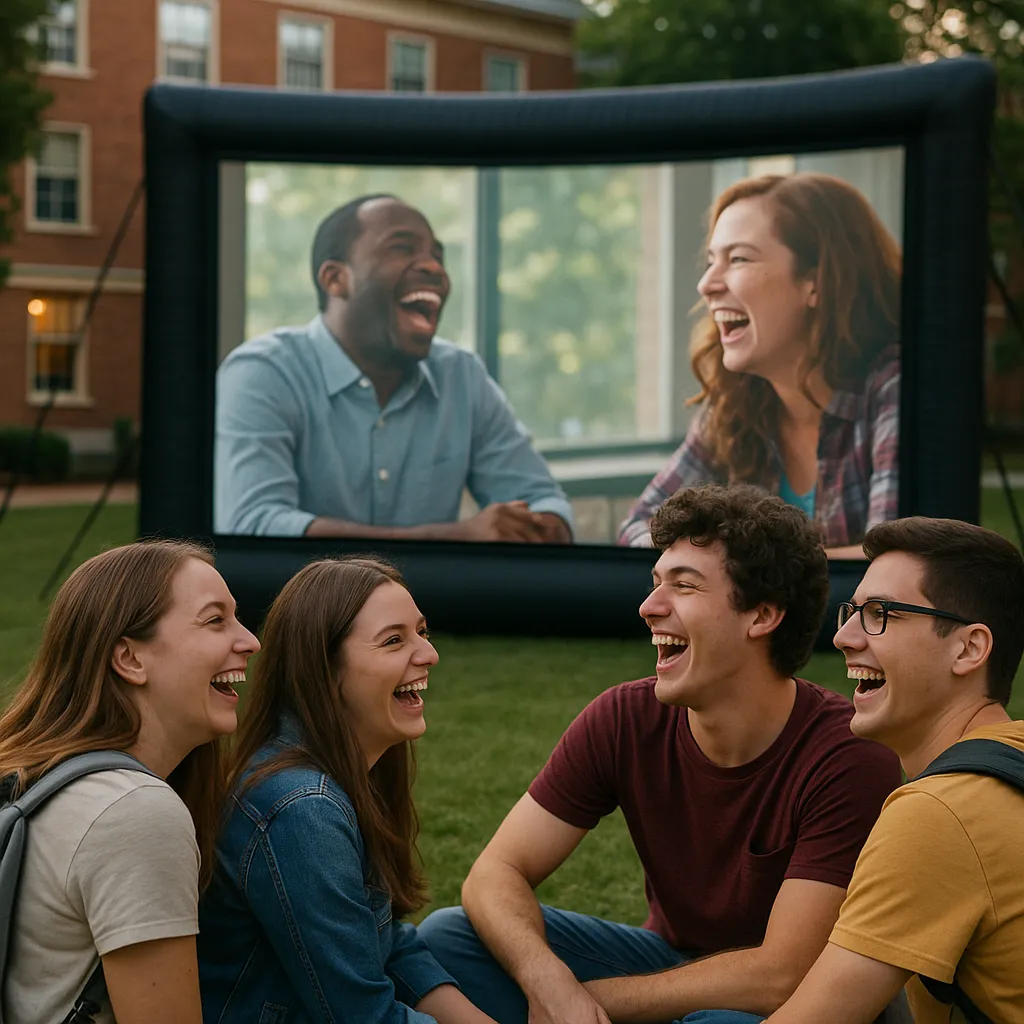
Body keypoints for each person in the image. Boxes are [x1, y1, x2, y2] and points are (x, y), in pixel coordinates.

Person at [418, 484, 903, 1024]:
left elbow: (781, 975)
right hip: (668, 961)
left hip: (791, 1005)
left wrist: (587, 1004)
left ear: (761, 616)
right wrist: (548, 982)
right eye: (655, 583)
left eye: (684, 586)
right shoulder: (625, 717)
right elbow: (494, 873)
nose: (649, 607)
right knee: (449, 938)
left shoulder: (850, 756)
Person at [197, 556, 497, 1024]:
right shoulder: (301, 806)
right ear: (325, 669)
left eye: (422, 632)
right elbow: (362, 1017)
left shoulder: (348, 769)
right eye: (394, 640)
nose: (428, 654)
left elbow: (385, 940)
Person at [761, 517, 1024, 1024]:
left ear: (968, 648)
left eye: (881, 614)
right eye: (852, 611)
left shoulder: (939, 815)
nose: (842, 636)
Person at [0, 540, 260, 1024]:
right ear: (130, 659)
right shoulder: (135, 812)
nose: (250, 641)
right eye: (215, 620)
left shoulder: (38, 776)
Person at [216, 193, 573, 544]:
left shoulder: (461, 376)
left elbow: (544, 500)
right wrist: (457, 537)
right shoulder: (262, 373)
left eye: (437, 255)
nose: (434, 267)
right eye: (402, 248)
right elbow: (255, 524)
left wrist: (537, 526)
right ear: (335, 279)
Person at [618, 173, 901, 559]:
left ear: (816, 282)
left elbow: (896, 561)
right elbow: (640, 528)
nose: (706, 284)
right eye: (710, 261)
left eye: (738, 258)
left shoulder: (892, 386)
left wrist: (739, 562)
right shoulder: (735, 403)